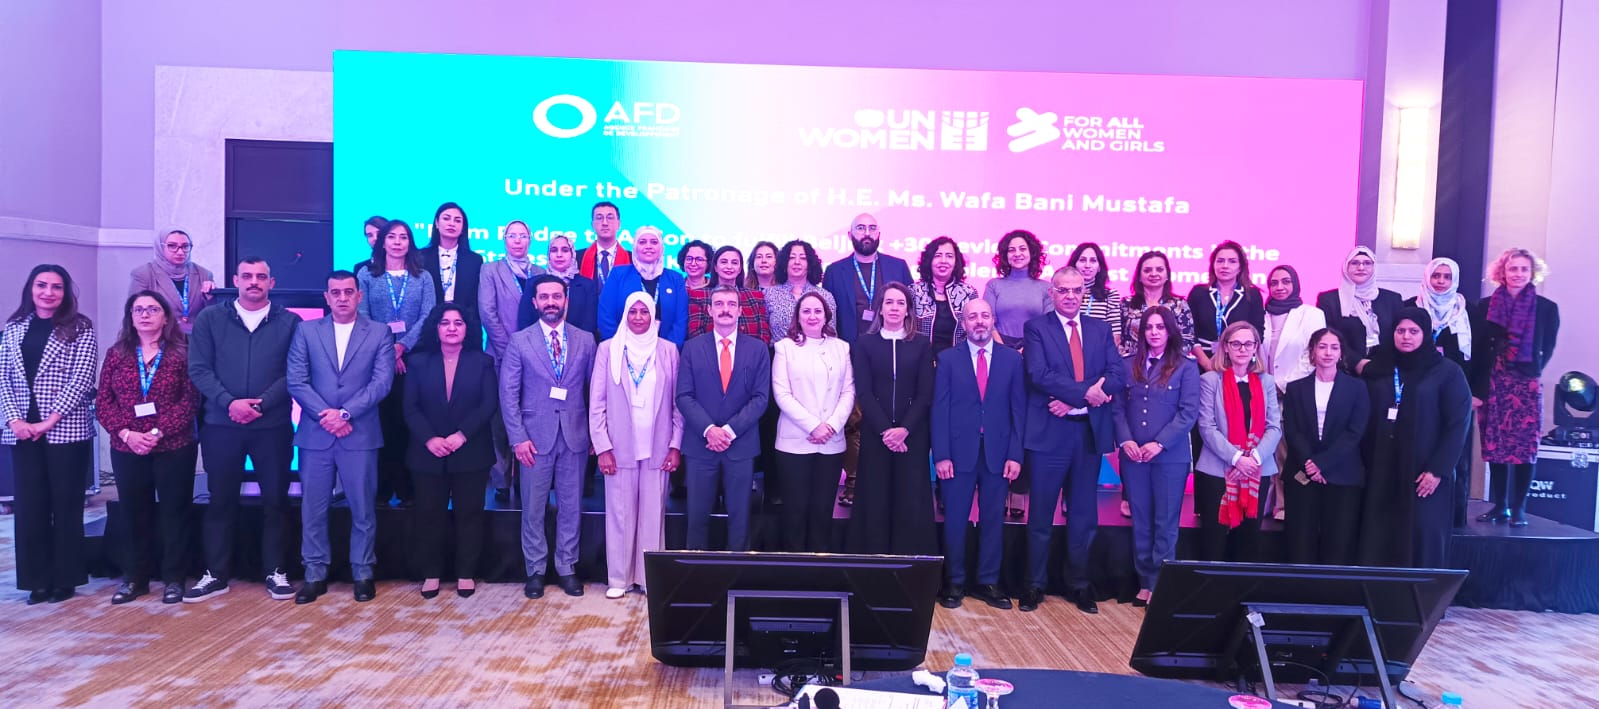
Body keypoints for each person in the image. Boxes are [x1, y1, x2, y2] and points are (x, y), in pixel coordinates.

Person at [186, 257, 302, 602]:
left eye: (261, 276)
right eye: (247, 276)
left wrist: (261, 404)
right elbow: (199, 369)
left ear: (271, 283)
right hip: (222, 425)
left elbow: (294, 372)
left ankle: (276, 570)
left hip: (273, 426)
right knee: (220, 500)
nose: (254, 281)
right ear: (235, 280)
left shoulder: (290, 322)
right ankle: (216, 573)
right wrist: (230, 403)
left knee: (276, 501)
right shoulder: (210, 319)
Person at [286, 270, 395, 603]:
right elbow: (296, 380)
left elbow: (381, 383)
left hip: (359, 434)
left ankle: (362, 571)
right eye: (336, 292)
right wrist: (328, 415)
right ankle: (314, 573)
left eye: (349, 292)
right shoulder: (306, 331)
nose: (343, 298)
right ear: (327, 297)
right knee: (313, 509)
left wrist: (345, 414)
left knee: (363, 509)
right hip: (316, 434)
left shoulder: (379, 332)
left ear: (359, 296)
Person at [1020, 268, 1124, 614]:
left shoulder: (1100, 328)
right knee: (1040, 515)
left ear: (1084, 293)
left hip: (1086, 433)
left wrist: (1076, 400)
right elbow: (1039, 374)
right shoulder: (1037, 328)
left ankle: (1078, 584)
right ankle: (1034, 584)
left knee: (1083, 516)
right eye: (1063, 290)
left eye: (1076, 290)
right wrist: (1086, 394)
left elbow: (1117, 374)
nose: (1070, 296)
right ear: (1052, 293)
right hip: (1049, 434)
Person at [2, 265, 98, 604]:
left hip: (65, 430)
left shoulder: (80, 327)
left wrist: (49, 420)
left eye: (56, 287)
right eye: (42, 285)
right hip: (22, 431)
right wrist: (14, 420)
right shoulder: (13, 327)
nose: (48, 292)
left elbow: (82, 378)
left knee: (66, 505)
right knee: (30, 507)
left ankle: (65, 578)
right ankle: (36, 580)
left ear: (65, 292)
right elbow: (3, 378)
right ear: (31, 288)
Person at [97, 291, 200, 605]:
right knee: (133, 514)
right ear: (130, 316)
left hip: (173, 446)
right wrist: (127, 434)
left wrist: (156, 432)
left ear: (165, 317)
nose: (144, 314)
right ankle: (135, 579)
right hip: (127, 446)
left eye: (152, 309)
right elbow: (103, 402)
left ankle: (174, 579)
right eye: (138, 309)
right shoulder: (117, 353)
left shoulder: (182, 353)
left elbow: (190, 400)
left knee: (174, 513)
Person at [502, 275, 596, 599]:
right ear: (535, 302)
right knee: (533, 508)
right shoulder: (519, 341)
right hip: (533, 438)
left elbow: (595, 391)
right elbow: (508, 394)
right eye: (544, 297)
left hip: (575, 436)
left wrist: (595, 434)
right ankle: (536, 570)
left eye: (557, 296)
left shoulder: (585, 340)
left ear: (566, 301)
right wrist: (517, 438)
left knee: (571, 507)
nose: (551, 302)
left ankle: (567, 567)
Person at [1357, 308, 1472, 567]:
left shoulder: (1447, 372)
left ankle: (1420, 593)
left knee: (1423, 536)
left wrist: (1438, 470)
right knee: (1379, 536)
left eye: (1413, 331)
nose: (1406, 337)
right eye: (1400, 331)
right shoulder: (1380, 368)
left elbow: (1457, 425)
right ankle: (1377, 591)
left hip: (1424, 473)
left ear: (1425, 334)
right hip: (1382, 469)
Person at [590, 292, 683, 598]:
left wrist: (675, 444)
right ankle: (619, 579)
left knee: (653, 515)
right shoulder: (608, 349)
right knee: (620, 514)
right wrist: (602, 447)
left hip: (658, 445)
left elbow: (677, 403)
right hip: (619, 448)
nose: (639, 317)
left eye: (645, 312)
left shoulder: (668, 350)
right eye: (633, 311)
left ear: (654, 316)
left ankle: (648, 579)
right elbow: (597, 402)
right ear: (625, 315)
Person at [932, 298, 1023, 610]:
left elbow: (1018, 411)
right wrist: (941, 455)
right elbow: (939, 410)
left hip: (999, 453)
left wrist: (1015, 455)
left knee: (993, 519)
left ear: (993, 320)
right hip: (957, 454)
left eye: (985, 315)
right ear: (964, 323)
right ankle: (955, 581)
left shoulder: (1012, 360)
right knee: (955, 520)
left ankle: (988, 581)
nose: (979, 321)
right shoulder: (947, 359)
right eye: (973, 317)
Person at [403, 304, 497, 599]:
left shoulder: (483, 362)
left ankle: (465, 573)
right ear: (436, 328)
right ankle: (431, 573)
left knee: (469, 514)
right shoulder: (418, 362)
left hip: (471, 451)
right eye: (445, 323)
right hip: (427, 453)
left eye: (458, 322)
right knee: (429, 515)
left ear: (468, 328)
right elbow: (410, 407)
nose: (452, 328)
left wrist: (461, 435)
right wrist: (430, 439)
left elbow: (488, 405)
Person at [1110, 306, 1200, 606]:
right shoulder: (1127, 365)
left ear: (1170, 331)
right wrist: (1126, 440)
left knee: (1165, 522)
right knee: (1141, 520)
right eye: (1149, 327)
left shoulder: (1186, 367)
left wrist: (1159, 444)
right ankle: (1144, 582)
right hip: (1133, 456)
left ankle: (1159, 584)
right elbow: (1117, 409)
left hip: (1169, 457)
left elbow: (1188, 413)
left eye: (1160, 327)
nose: (1154, 332)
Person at [676, 285, 771, 551]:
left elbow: (761, 398)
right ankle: (695, 573)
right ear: (709, 310)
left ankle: (737, 573)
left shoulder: (758, 349)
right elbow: (683, 395)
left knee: (740, 521)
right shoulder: (692, 348)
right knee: (696, 519)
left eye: (731, 304)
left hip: (740, 446)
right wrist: (710, 430)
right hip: (701, 446)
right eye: (719, 304)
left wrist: (727, 431)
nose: (725, 309)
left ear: (740, 311)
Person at [1472, 248, 1559, 527]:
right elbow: (1478, 349)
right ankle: (1500, 506)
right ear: (1503, 272)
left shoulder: (1546, 308)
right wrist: (1477, 388)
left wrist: (1530, 370)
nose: (1518, 274)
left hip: (1525, 384)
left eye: (1523, 269)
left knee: (1525, 448)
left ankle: (1519, 508)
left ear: (1532, 273)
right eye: (1513, 268)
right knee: (1495, 446)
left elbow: (1548, 347)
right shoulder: (1485, 306)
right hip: (1493, 382)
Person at [849, 282, 936, 555]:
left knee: (910, 502)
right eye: (889, 302)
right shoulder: (865, 343)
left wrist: (904, 430)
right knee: (875, 501)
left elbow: (925, 393)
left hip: (912, 437)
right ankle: (874, 568)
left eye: (900, 303)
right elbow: (864, 391)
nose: (895, 308)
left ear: (908, 310)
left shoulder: (921, 344)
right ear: (880, 309)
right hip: (877, 435)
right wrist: (887, 431)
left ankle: (909, 568)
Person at [358, 219, 438, 508]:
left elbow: (428, 315)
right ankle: (381, 489)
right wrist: (387, 351)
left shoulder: (423, 277)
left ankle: (408, 490)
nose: (397, 242)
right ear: (382, 242)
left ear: (410, 243)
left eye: (403, 237)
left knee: (409, 424)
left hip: (414, 360)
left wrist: (402, 347)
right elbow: (363, 314)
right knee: (382, 424)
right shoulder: (366, 274)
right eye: (391, 237)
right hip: (376, 360)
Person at [772, 292, 855, 552]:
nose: (812, 316)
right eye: (806, 311)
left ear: (826, 316)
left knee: (822, 512)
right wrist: (813, 426)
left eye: (818, 311)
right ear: (797, 316)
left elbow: (848, 391)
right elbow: (781, 394)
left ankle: (820, 568)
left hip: (831, 442)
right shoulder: (784, 347)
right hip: (794, 443)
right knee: (795, 512)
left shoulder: (841, 347)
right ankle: (794, 568)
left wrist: (830, 426)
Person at [1194, 322, 1282, 563]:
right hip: (1217, 470)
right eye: (1236, 344)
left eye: (1248, 343)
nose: (1242, 349)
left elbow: (1274, 427)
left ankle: (1242, 588)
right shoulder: (1210, 380)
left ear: (1255, 347)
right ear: (1225, 347)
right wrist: (1236, 459)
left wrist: (1252, 459)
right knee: (1214, 542)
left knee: (1249, 541)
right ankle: (1212, 587)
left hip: (1257, 469)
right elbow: (1207, 427)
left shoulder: (1266, 381)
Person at [1281, 329, 1368, 565]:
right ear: (1312, 352)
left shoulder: (1357, 388)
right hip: (1302, 471)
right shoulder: (1296, 388)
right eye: (1322, 346)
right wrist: (1310, 463)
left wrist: (1321, 463)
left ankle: (1333, 586)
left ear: (1341, 353)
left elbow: (1355, 432)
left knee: (1338, 542)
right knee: (1300, 541)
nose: (1328, 353)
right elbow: (1292, 430)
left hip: (1342, 473)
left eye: (1334, 347)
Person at [479, 220, 545, 503]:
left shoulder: (540, 272)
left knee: (531, 415)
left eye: (523, 236)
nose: (517, 240)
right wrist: (511, 350)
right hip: (500, 353)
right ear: (504, 239)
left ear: (530, 239)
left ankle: (528, 476)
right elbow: (487, 312)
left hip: (537, 358)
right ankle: (501, 480)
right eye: (512, 235)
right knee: (499, 419)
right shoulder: (490, 269)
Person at [1405, 257, 1474, 527]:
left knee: (1457, 452)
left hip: (1458, 390)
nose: (1441, 281)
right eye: (1436, 276)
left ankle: (1456, 516)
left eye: (1447, 276)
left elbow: (1480, 355)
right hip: (1419, 390)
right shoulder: (1411, 306)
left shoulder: (1468, 311)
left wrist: (1477, 393)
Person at [822, 213, 914, 344]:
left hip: (892, 345)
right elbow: (827, 315)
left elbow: (911, 308)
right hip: (849, 347)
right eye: (860, 228)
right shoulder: (834, 271)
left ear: (879, 234)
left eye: (872, 228)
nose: (867, 233)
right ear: (850, 235)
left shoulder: (898, 267)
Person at [598, 226, 689, 346]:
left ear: (661, 247)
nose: (648, 246)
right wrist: (621, 346)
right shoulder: (618, 275)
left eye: (654, 242)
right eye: (642, 242)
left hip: (665, 350)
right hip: (622, 349)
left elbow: (680, 321)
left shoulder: (675, 279)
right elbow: (605, 315)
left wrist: (668, 349)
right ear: (635, 247)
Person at [1316, 246, 1402, 367]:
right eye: (1354, 263)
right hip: (1345, 367)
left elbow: (1398, 335)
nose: (1361, 267)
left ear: (1374, 267)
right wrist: (1357, 363)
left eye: (1367, 263)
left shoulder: (1392, 299)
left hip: (1385, 366)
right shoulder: (1329, 300)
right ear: (1346, 267)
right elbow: (1328, 337)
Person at [1187, 241, 1265, 371]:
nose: (1225, 266)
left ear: (1240, 267)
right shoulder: (1198, 293)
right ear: (1213, 265)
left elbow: (1257, 334)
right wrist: (1206, 364)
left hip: (1239, 364)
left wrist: (1237, 361)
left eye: (1232, 261)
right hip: (1202, 363)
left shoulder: (1252, 295)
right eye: (1220, 261)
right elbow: (1189, 332)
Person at [419, 202, 485, 349]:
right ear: (437, 223)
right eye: (446, 218)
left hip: (464, 330)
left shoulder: (474, 260)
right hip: (429, 328)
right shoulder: (420, 257)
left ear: (463, 228)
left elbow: (475, 302)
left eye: (457, 220)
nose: (451, 224)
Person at [128, 229, 216, 333]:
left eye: (185, 246)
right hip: (159, 337)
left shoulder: (204, 274)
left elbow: (213, 315)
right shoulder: (144, 274)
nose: (180, 252)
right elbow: (136, 314)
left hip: (195, 337)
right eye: (172, 246)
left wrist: (211, 298)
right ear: (160, 247)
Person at [983, 229, 1051, 351]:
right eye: (1011, 250)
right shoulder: (993, 285)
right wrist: (1004, 350)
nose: (1017, 254)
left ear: (1032, 253)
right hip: (998, 347)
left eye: (1022, 249)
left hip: (1034, 347)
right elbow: (987, 322)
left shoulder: (1046, 288)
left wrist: (1025, 350)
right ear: (1005, 255)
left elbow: (1047, 325)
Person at [1119, 249, 1196, 357]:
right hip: (1132, 363)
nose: (1153, 274)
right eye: (1147, 270)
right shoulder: (1126, 305)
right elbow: (1118, 339)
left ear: (1167, 275)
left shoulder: (1179, 305)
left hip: (1170, 364)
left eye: (1159, 269)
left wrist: (1162, 360)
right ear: (1139, 276)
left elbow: (1187, 340)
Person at [910, 236, 979, 354]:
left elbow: (974, 330)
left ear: (956, 262)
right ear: (929, 260)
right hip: (921, 359)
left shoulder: (968, 293)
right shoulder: (914, 292)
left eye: (949, 256)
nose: (943, 261)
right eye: (937, 255)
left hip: (958, 359)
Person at [1262, 266, 1326, 394]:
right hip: (1263, 391)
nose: (1279, 287)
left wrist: (1282, 385)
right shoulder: (1261, 315)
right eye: (1274, 283)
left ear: (1295, 284)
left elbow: (1313, 354)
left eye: (1286, 282)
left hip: (1298, 390)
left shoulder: (1312, 314)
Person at [688, 246, 772, 342]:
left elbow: (764, 334)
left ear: (740, 269)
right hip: (708, 350)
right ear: (715, 267)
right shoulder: (698, 295)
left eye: (734, 263)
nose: (729, 267)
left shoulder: (755, 296)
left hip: (751, 351)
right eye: (724, 262)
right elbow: (695, 334)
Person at [764, 240, 837, 347]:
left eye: (803, 258)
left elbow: (831, 334)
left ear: (810, 263)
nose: (797, 262)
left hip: (817, 353)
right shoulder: (769, 294)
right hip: (778, 354)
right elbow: (764, 333)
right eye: (791, 257)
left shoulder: (825, 296)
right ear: (784, 262)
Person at [528, 233, 600, 337]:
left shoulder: (587, 285)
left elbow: (590, 323)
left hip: (578, 343)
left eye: (565, 250)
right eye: (554, 250)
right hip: (538, 343)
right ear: (548, 255)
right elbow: (526, 320)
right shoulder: (533, 283)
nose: (559, 255)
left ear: (572, 254)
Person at [1069, 242, 1125, 346]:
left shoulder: (1110, 295)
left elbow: (1115, 337)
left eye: (1093, 261)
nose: (1087, 265)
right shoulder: (1064, 293)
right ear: (1074, 265)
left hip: (1098, 352)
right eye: (1082, 260)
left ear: (1099, 267)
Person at [578, 201, 630, 293]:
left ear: (619, 224)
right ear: (592, 225)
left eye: (610, 217)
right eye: (599, 218)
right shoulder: (578, 258)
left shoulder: (632, 259)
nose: (605, 223)